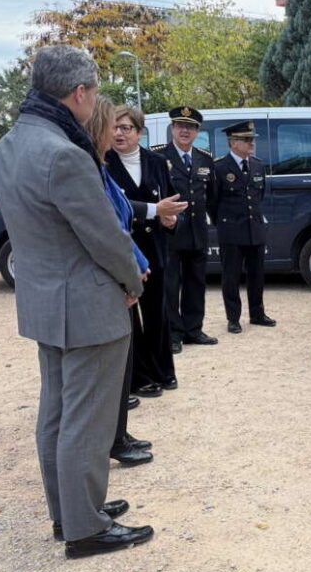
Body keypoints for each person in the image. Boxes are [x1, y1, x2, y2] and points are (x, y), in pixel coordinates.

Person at [0, 45, 154, 558]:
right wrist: (134, 281)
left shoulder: (11, 144)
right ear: (80, 93)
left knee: (57, 414)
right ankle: (85, 528)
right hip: (86, 304)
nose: (95, 103)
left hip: (43, 300)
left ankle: (72, 512)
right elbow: (105, 237)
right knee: (88, 418)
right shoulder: (65, 152)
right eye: (95, 93)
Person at [85, 95, 154, 467]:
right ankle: (112, 440)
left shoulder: (99, 164)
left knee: (122, 367)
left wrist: (138, 262)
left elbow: (122, 213)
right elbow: (109, 228)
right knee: (109, 373)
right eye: (113, 125)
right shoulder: (87, 165)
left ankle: (118, 434)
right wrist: (132, 274)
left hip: (123, 272)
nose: (118, 132)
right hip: (110, 282)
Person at [106, 105, 186, 399]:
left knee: (157, 313)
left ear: (139, 132)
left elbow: (171, 203)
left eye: (125, 128)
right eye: (114, 127)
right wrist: (155, 211)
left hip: (154, 248)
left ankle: (163, 370)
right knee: (129, 316)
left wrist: (171, 220)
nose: (118, 133)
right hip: (123, 249)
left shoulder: (156, 161)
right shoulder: (103, 162)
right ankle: (138, 378)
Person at [152, 106, 217, 353]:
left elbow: (210, 195)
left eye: (190, 127)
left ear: (197, 131)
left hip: (197, 231)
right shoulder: (158, 157)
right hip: (170, 232)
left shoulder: (205, 158)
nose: (185, 131)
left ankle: (193, 329)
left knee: (196, 282)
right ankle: (173, 333)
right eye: (180, 125)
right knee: (170, 284)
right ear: (172, 128)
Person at [210, 120, 276, 333]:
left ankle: (257, 314)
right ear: (233, 143)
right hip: (231, 231)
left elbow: (259, 195)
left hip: (254, 229)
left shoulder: (257, 165)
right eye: (247, 140)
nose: (251, 144)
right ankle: (233, 318)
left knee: (257, 275)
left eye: (252, 139)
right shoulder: (219, 167)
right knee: (231, 276)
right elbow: (213, 202)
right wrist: (224, 223)